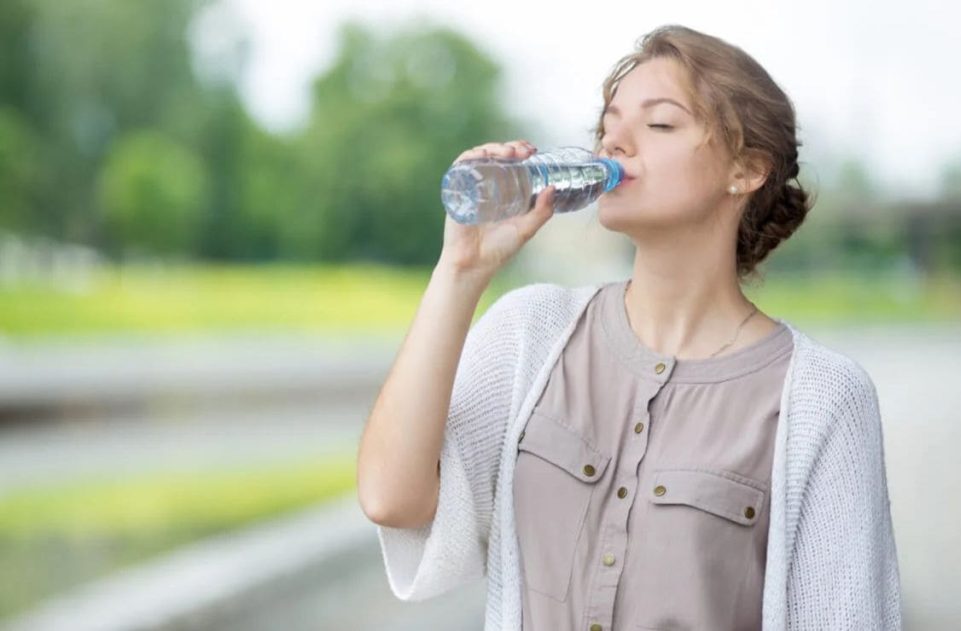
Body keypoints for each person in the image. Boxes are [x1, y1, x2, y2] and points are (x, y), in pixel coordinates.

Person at [357, 24, 902, 631]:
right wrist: (461, 268)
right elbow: (391, 500)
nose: (614, 140)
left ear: (746, 171)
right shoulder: (531, 332)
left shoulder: (824, 399)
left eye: (660, 123)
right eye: (608, 123)